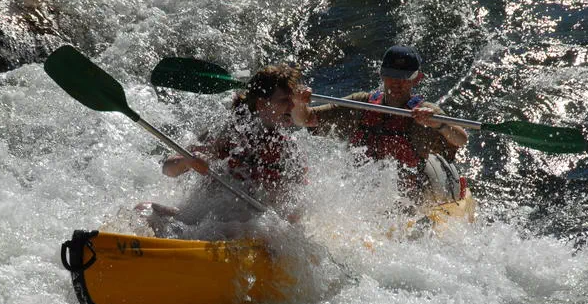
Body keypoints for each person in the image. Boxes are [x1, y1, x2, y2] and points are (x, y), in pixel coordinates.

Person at [136, 64, 315, 236]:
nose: (291, 107)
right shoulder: (228, 133)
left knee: (248, 228)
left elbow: (294, 212)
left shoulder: (288, 150)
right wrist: (188, 161)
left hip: (250, 231)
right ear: (261, 104)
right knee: (143, 210)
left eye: (292, 101)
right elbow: (168, 169)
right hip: (206, 221)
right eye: (285, 101)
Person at [308, 45, 468, 202]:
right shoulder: (361, 103)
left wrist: (439, 124)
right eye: (391, 75)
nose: (397, 83)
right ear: (382, 75)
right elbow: (308, 119)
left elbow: (461, 139)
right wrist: (299, 101)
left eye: (405, 77)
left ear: (417, 79)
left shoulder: (425, 112)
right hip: (357, 194)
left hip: (406, 200)